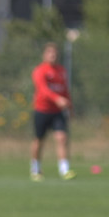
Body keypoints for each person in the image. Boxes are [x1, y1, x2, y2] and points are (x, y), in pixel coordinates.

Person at [29, 42, 75, 181]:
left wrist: (70, 107)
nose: (52, 55)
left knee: (62, 138)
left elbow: (65, 91)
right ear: (44, 54)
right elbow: (43, 90)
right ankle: (35, 168)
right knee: (39, 140)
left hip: (57, 111)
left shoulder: (62, 71)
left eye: (55, 53)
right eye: (50, 52)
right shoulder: (39, 71)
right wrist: (57, 99)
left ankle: (64, 169)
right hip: (42, 110)